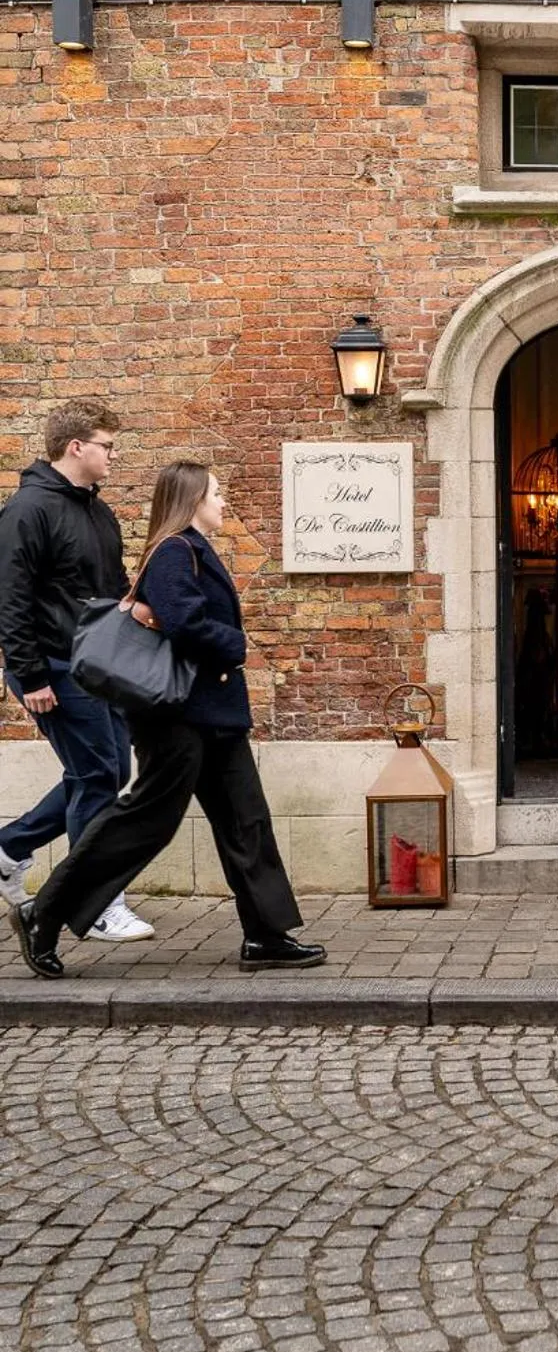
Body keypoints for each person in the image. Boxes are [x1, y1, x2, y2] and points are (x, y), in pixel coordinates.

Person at [10, 460, 325, 978]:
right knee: (142, 824)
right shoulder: (176, 551)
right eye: (217, 494)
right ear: (193, 499)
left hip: (213, 717)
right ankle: (43, 915)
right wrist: (235, 645)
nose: (225, 502)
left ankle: (267, 935)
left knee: (246, 821)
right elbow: (184, 622)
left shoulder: (193, 550)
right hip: (177, 720)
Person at [0, 401, 154, 940]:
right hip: (54, 668)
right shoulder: (28, 511)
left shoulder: (97, 510)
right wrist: (32, 675)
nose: (114, 455)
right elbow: (10, 600)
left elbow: (109, 590)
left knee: (108, 773)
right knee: (97, 777)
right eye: (107, 445)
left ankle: (10, 847)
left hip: (96, 665)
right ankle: (95, 902)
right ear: (76, 448)